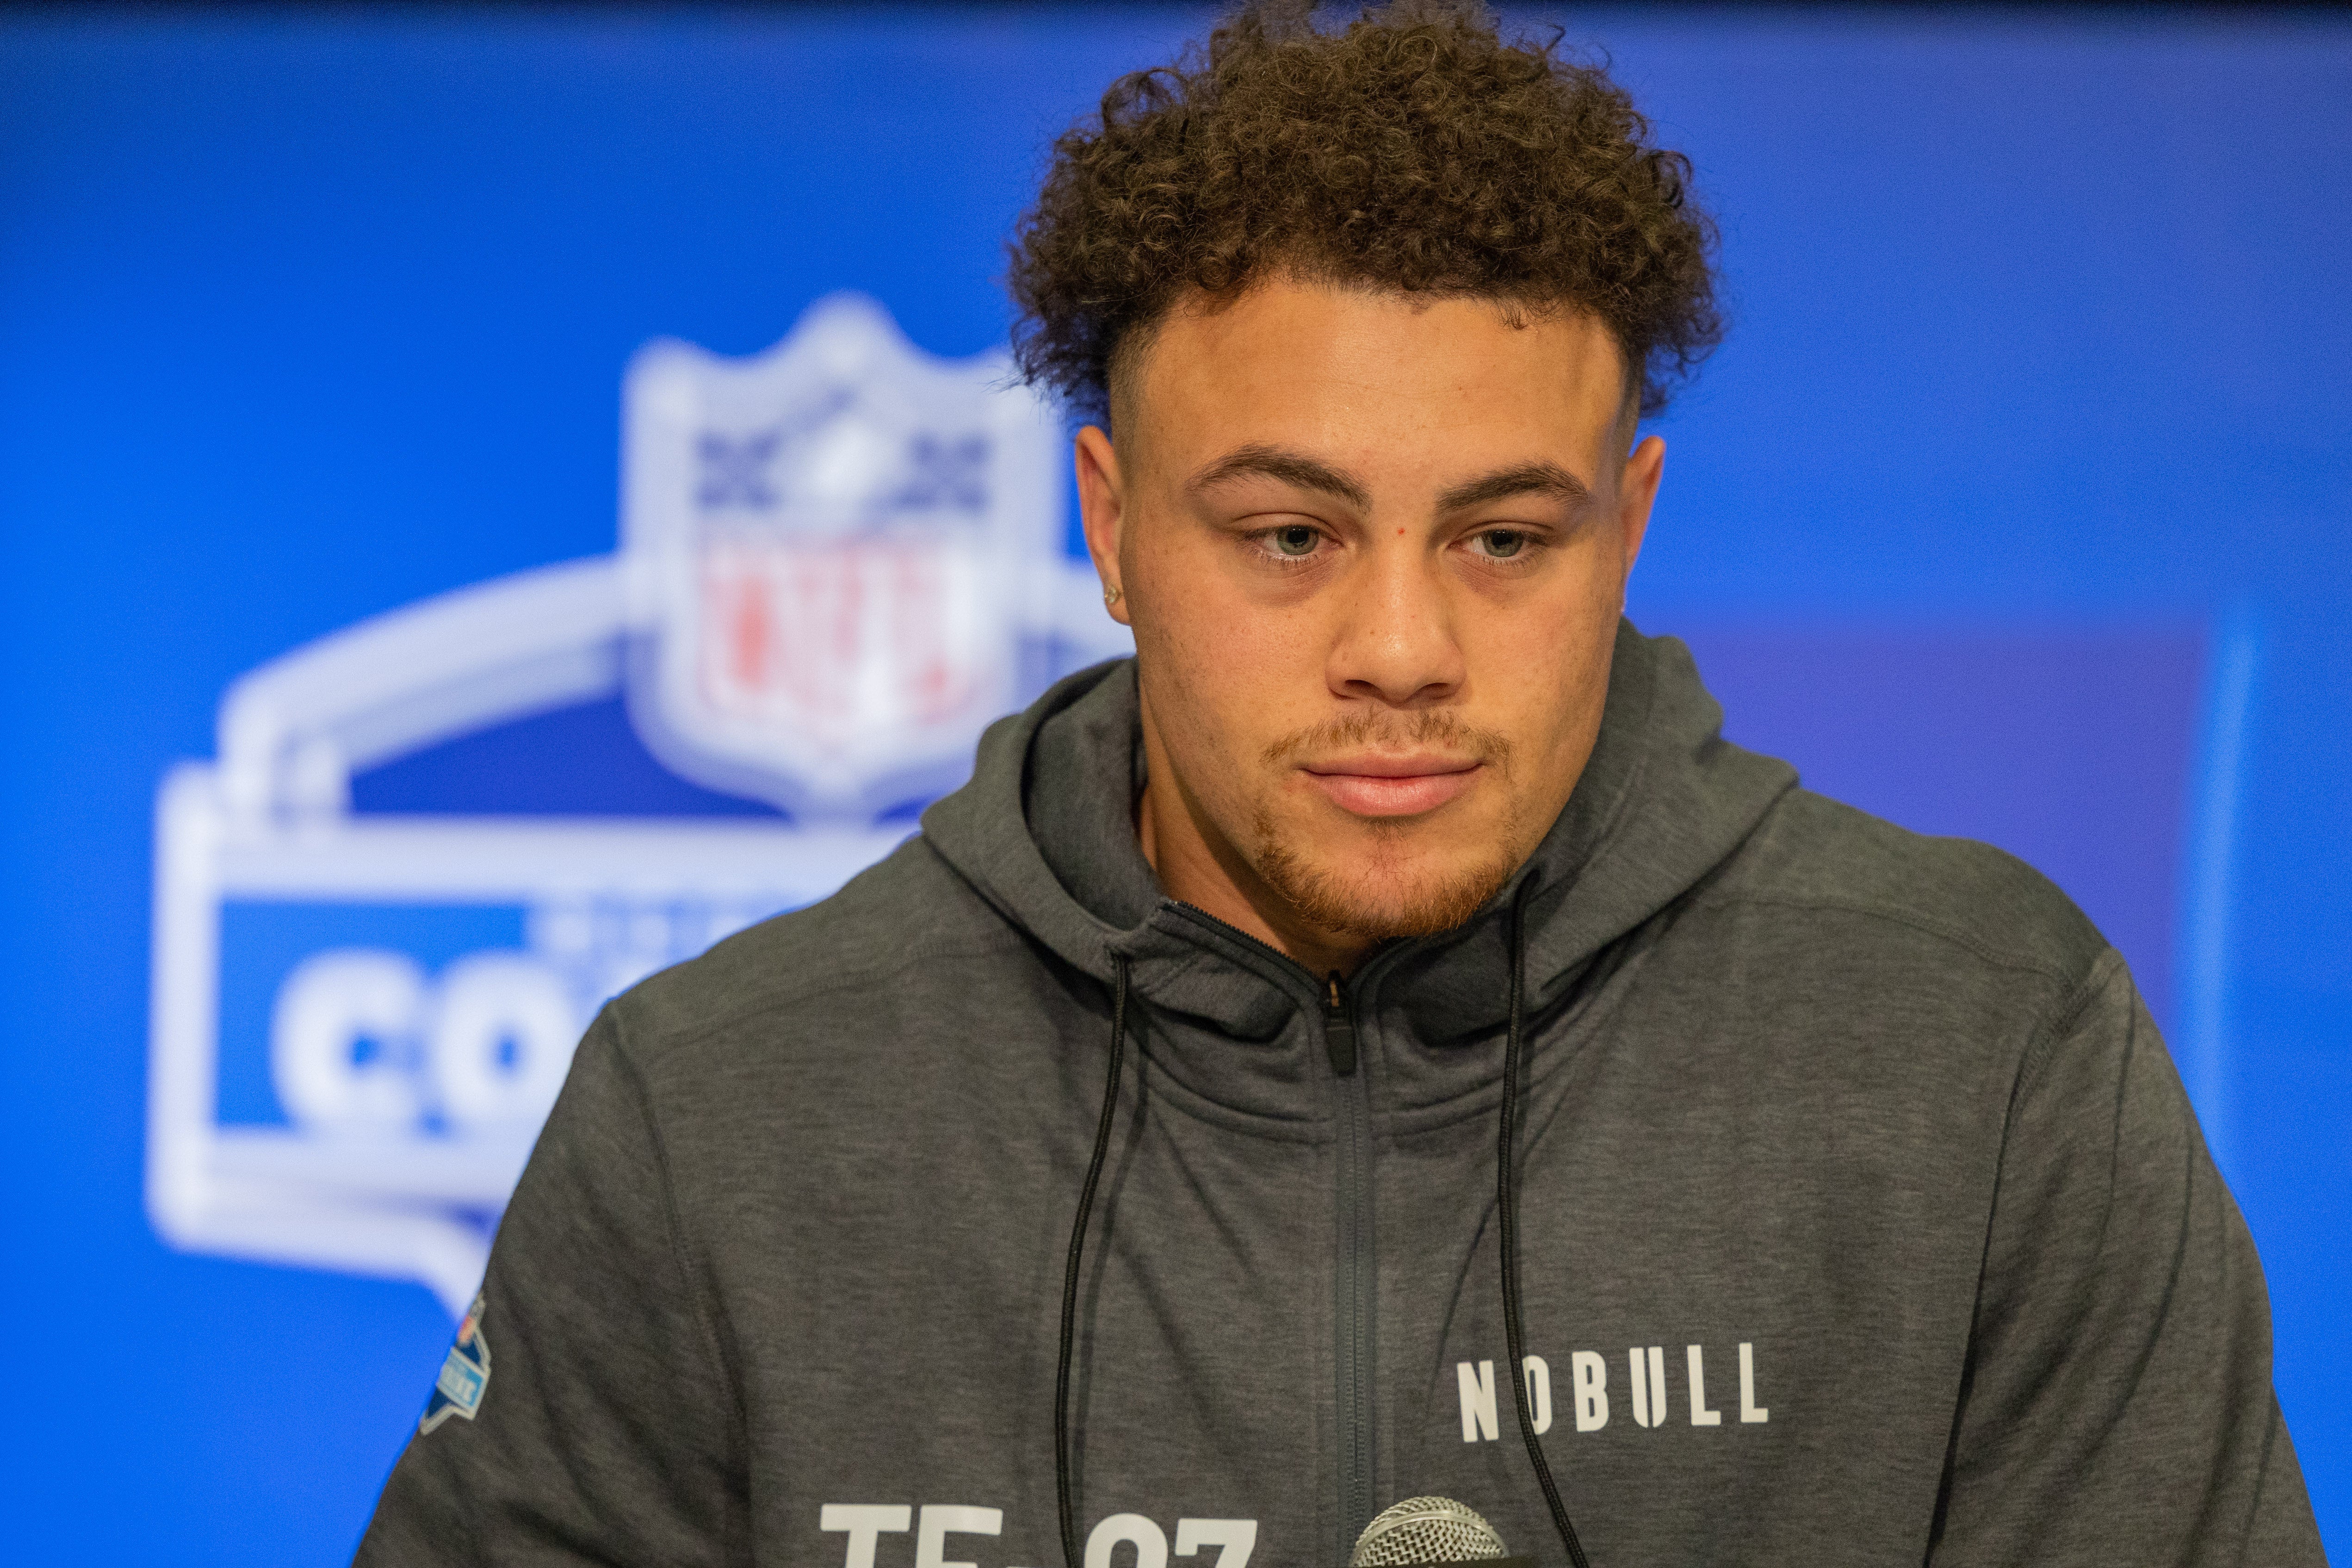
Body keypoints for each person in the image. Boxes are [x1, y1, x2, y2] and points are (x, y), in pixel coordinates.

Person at [356, 4, 2323, 1564]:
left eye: (1500, 537)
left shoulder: (1977, 1049)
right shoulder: (723, 1108)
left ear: (1625, 521)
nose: (1399, 647)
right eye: (1290, 534)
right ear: (1111, 524)